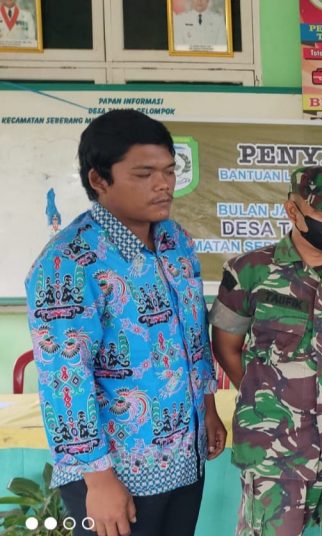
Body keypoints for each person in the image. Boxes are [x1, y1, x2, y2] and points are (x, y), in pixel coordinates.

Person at [25, 109, 225, 536]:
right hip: (116, 473)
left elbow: (193, 335)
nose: (164, 184)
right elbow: (64, 378)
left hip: (184, 457)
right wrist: (98, 481)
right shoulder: (69, 262)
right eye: (144, 173)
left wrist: (207, 408)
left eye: (169, 171)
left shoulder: (175, 241)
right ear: (99, 179)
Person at [209, 166, 322, 535]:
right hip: (275, 452)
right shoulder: (248, 272)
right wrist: (269, 396)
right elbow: (226, 348)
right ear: (292, 210)